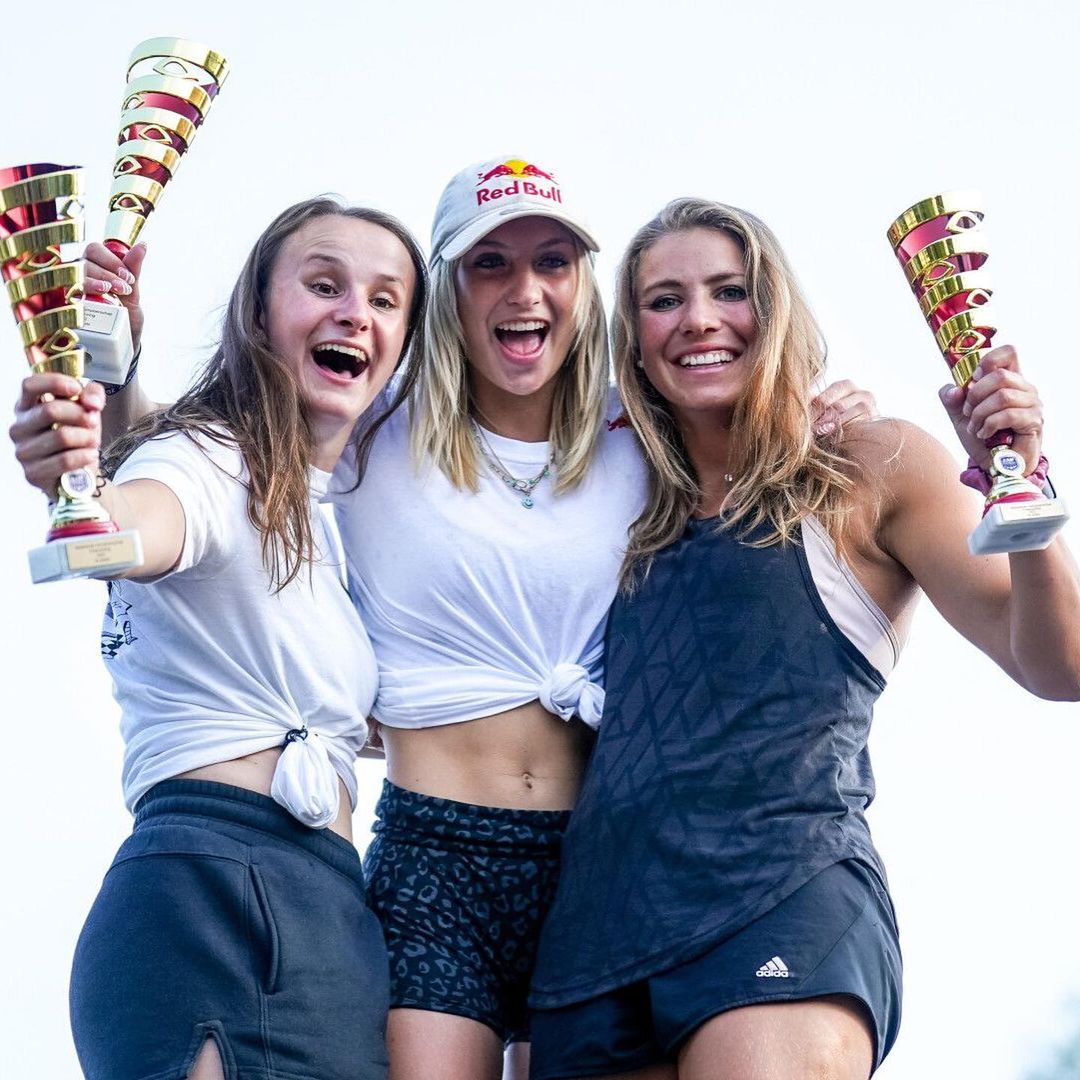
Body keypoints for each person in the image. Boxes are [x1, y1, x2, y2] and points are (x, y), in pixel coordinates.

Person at [61, 161, 874, 1080]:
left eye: (552, 262)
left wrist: (829, 408)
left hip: (604, 865)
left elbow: (746, 440)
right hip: (435, 856)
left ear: (582, 284)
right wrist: (113, 380)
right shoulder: (372, 428)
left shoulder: (643, 437)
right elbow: (208, 464)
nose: (524, 290)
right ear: (446, 292)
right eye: (490, 263)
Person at [526, 197, 1080, 1080]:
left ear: (775, 309)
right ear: (632, 339)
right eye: (664, 300)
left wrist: (1024, 479)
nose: (698, 319)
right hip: (592, 947)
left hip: (778, 898)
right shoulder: (605, 503)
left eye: (729, 290)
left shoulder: (869, 465)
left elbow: (1060, 664)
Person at [9, 197, 428, 1080]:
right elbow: (136, 522)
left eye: (386, 299)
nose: (356, 312)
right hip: (220, 892)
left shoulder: (327, 509)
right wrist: (75, 484)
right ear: (259, 314)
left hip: (323, 910)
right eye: (325, 285)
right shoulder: (207, 458)